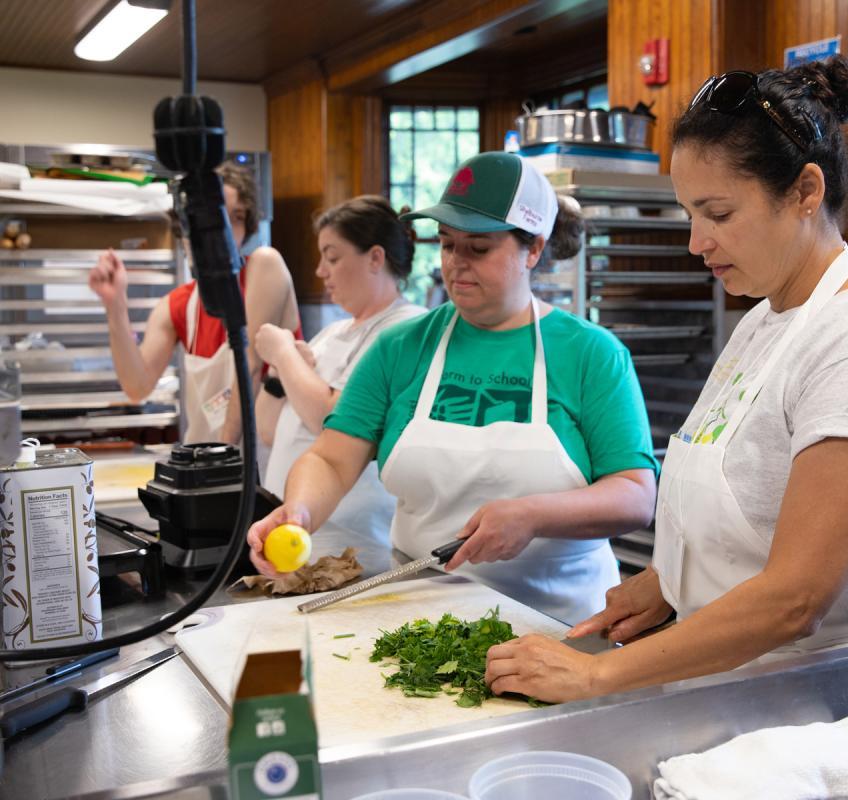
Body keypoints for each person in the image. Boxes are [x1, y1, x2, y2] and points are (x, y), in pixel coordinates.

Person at [483, 57, 848, 764]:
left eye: (718, 214)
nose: (696, 243)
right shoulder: (766, 321)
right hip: (756, 701)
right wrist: (671, 582)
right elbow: (754, 504)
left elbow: (795, 596)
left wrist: (597, 674)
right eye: (689, 214)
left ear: (806, 191)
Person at [246, 152, 658, 625]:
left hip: (560, 622)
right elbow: (331, 459)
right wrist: (298, 510)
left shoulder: (591, 353)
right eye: (446, 244)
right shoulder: (401, 347)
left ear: (534, 249)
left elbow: (634, 494)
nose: (456, 264)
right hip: (420, 613)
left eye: (478, 248)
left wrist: (535, 514)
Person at [89, 161, 301, 444]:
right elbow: (137, 387)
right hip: (211, 464)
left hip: (267, 464)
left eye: (237, 217)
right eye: (216, 218)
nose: (225, 232)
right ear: (187, 226)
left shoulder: (265, 266)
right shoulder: (179, 305)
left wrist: (221, 460)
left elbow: (249, 365)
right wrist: (115, 308)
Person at [255, 195, 425, 539]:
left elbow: (331, 418)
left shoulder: (405, 329)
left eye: (332, 257)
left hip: (353, 535)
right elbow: (270, 431)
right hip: (297, 527)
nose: (321, 270)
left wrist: (284, 354)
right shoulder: (331, 332)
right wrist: (278, 374)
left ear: (375, 258)